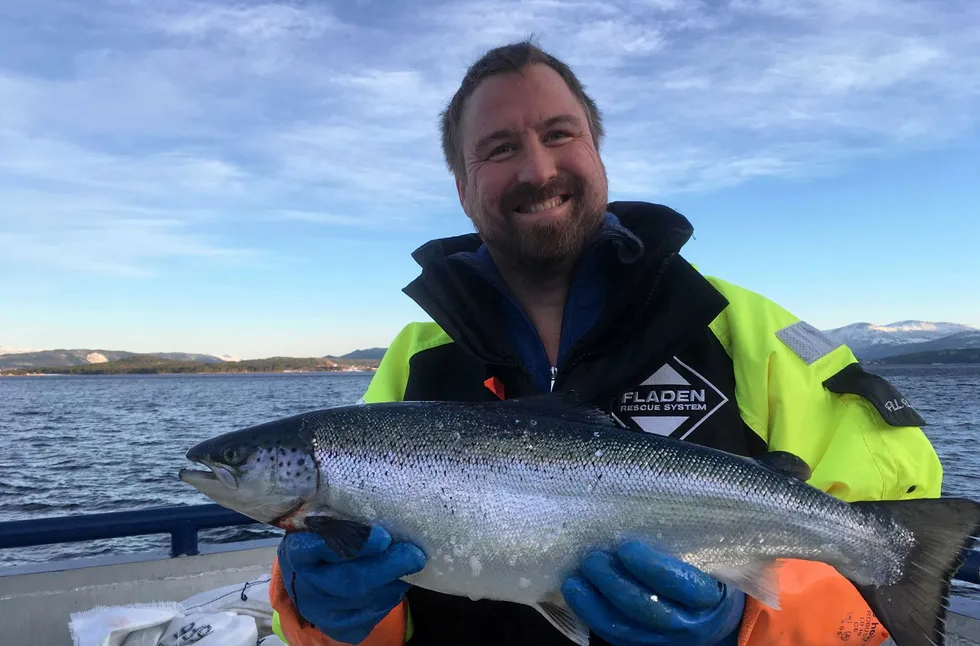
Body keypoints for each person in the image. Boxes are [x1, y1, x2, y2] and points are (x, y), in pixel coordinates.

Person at [266, 40, 943, 646]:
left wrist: (748, 623)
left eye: (560, 134)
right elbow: (370, 610)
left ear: (596, 150)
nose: (537, 169)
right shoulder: (414, 361)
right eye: (500, 149)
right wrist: (320, 616)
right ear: (464, 189)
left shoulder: (750, 331)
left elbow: (880, 561)